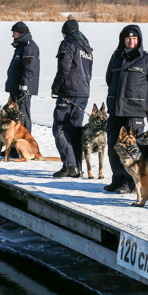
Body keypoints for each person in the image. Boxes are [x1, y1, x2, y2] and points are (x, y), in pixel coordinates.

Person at [104, 25, 148, 193]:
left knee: (133, 149)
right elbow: (109, 79)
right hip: (115, 110)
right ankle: (118, 179)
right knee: (114, 146)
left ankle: (130, 183)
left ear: (139, 40)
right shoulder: (116, 57)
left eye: (134, 39)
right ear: (123, 40)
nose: (131, 41)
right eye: (128, 38)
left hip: (135, 111)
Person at [51, 19, 93, 178]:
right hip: (83, 92)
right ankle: (77, 167)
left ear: (65, 32)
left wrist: (56, 87)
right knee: (75, 129)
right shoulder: (86, 48)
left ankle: (70, 166)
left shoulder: (68, 44)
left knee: (60, 128)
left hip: (69, 92)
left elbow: (64, 68)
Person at [5, 21, 40, 133]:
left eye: (14, 33)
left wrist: (24, 84)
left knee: (22, 116)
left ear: (20, 33)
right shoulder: (21, 46)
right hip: (16, 88)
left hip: (22, 90)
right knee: (15, 116)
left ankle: (24, 144)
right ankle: (15, 147)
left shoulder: (29, 47)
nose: (12, 36)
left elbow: (30, 68)